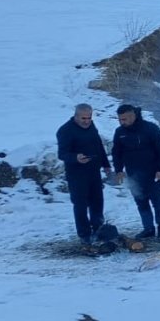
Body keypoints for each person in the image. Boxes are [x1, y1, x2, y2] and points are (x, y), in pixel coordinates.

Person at [56, 103, 112, 249]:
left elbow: (98, 145)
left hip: (94, 171)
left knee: (97, 202)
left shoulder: (91, 126)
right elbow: (62, 154)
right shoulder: (65, 130)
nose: (86, 121)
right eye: (83, 118)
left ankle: (98, 229)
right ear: (75, 116)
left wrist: (106, 164)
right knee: (80, 205)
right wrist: (76, 157)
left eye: (89, 117)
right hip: (76, 174)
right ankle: (84, 235)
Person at [112, 104, 160, 242]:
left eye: (124, 119)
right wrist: (119, 170)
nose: (122, 122)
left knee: (157, 202)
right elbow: (116, 153)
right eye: (120, 119)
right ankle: (148, 229)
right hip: (133, 174)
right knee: (141, 201)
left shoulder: (150, 129)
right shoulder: (120, 132)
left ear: (133, 116)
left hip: (153, 173)